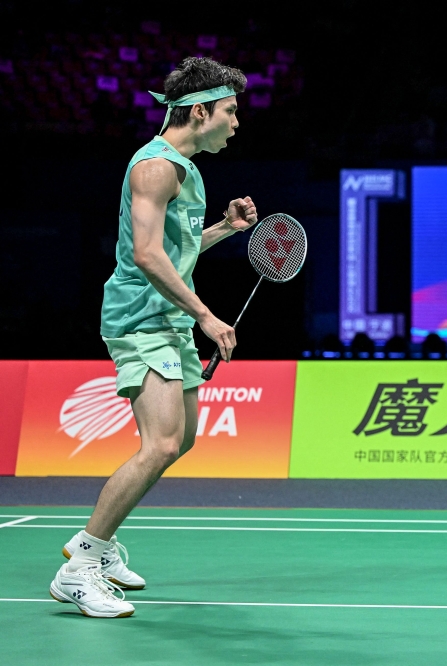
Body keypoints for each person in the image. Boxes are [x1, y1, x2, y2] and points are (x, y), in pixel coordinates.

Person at [49, 57, 257, 618]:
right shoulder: (154, 168)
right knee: (161, 443)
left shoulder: (188, 170)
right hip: (141, 319)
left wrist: (224, 229)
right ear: (200, 112)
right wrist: (207, 316)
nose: (237, 121)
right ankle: (80, 567)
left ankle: (101, 546)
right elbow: (145, 256)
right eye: (231, 110)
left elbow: (174, 251)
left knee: (181, 439)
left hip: (169, 319)